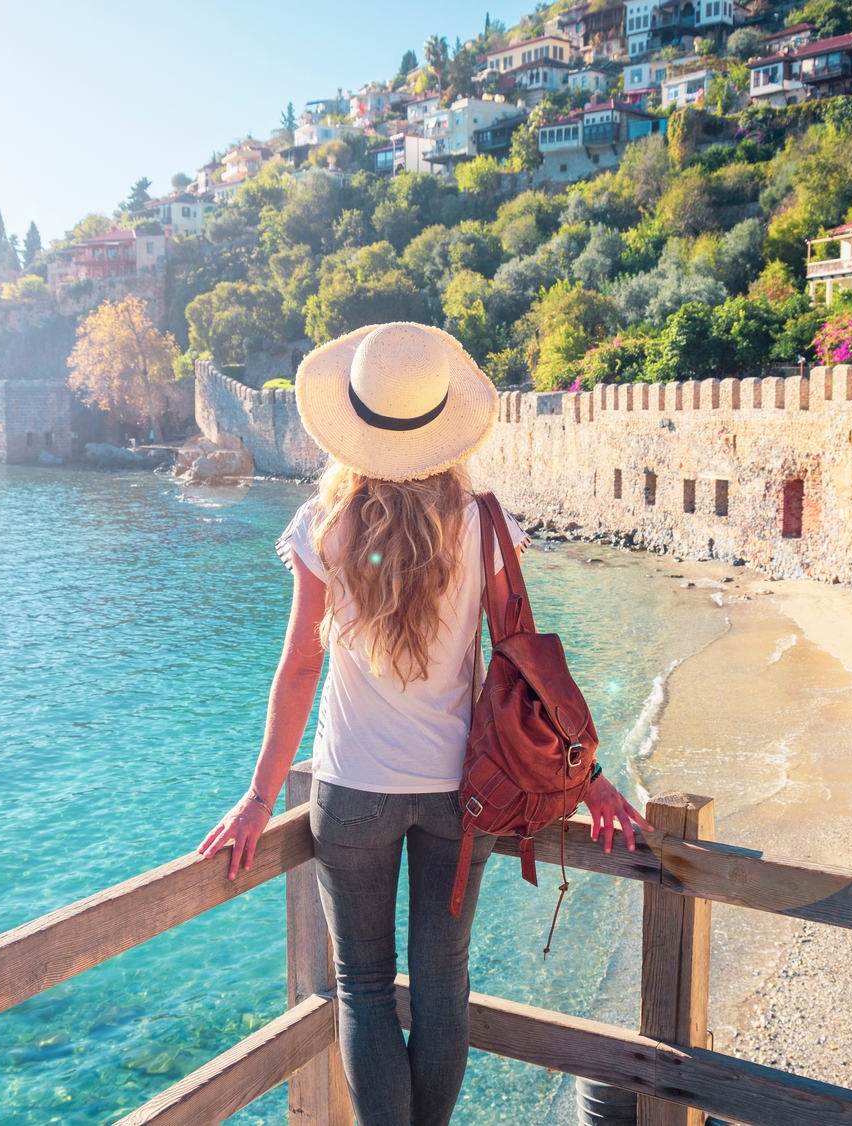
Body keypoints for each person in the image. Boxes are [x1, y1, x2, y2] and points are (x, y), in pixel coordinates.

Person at [197, 322, 652, 1125]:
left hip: (352, 794)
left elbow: (300, 668)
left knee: (363, 988)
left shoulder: (323, 526)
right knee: (443, 985)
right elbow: (524, 677)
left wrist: (259, 799)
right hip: (460, 795)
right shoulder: (484, 525)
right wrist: (591, 778)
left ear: (353, 421)